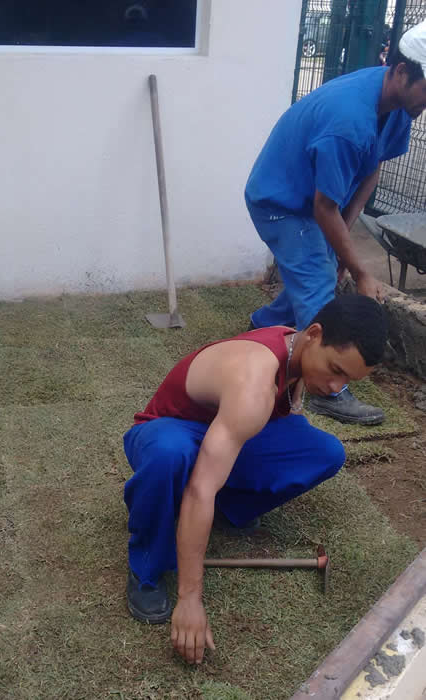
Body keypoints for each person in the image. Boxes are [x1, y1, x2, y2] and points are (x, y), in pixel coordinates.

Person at [123, 294, 388, 665]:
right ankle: (148, 567)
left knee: (324, 452)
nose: (335, 387)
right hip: (166, 433)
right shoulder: (254, 382)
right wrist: (190, 599)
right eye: (335, 370)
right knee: (172, 456)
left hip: (221, 435)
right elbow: (200, 489)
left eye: (347, 381)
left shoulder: (295, 345)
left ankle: (228, 508)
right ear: (314, 334)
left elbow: (287, 415)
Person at [244, 20, 426, 425]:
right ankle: (329, 390)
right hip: (279, 201)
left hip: (312, 201)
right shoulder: (349, 121)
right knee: (320, 282)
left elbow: (372, 168)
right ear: (401, 72)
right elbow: (322, 208)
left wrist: (342, 237)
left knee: (321, 263)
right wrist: (360, 270)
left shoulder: (397, 105)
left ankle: (265, 325)